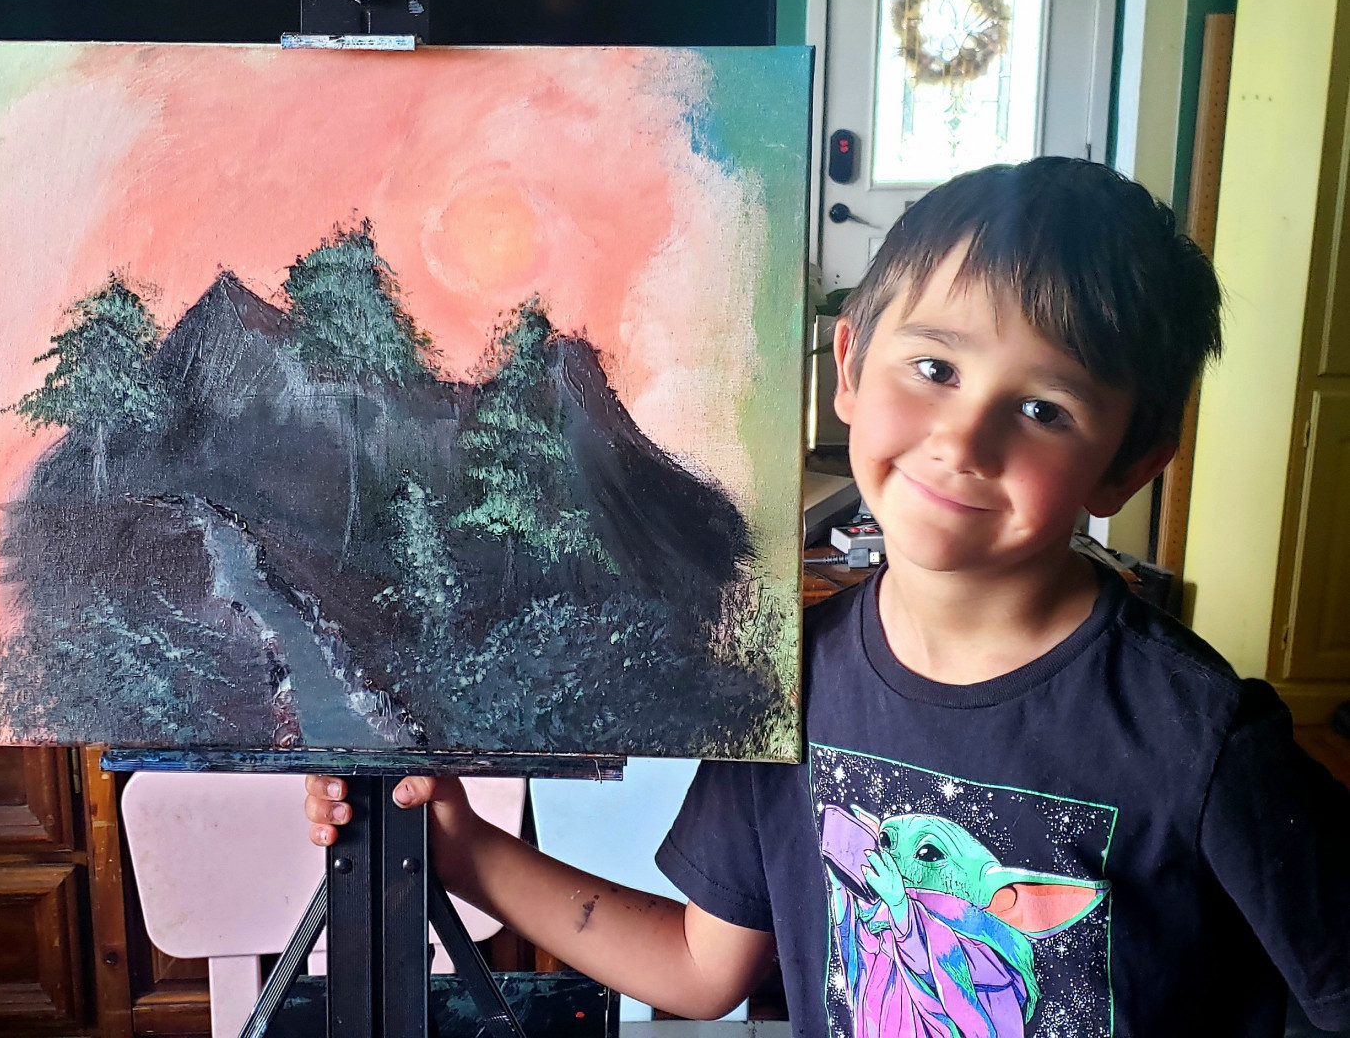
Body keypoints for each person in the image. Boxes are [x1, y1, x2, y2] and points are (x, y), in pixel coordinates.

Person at [305, 158, 1350, 1036]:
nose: (963, 439)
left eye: (1043, 408)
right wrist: (468, 851)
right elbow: (699, 969)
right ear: (848, 363)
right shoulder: (788, 679)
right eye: (934, 367)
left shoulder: (1200, 737)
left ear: (1127, 466)